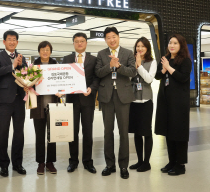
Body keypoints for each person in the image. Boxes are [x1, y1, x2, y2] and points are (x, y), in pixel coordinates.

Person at [95, 27, 136, 179]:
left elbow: (132, 72)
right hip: (106, 97)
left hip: (123, 96)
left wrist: (118, 66)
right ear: (105, 40)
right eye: (108, 38)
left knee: (123, 132)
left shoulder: (128, 53)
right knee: (107, 132)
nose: (111, 40)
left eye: (114, 37)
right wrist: (110, 65)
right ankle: (109, 164)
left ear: (118, 37)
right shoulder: (101, 54)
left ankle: (123, 166)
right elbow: (98, 73)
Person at [62, 32, 99, 174]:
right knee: (72, 132)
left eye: (82, 41)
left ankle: (88, 162)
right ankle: (73, 161)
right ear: (73, 43)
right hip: (72, 101)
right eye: (76, 41)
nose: (79, 44)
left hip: (88, 100)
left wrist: (92, 88)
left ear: (86, 43)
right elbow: (63, 77)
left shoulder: (93, 60)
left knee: (88, 132)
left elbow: (96, 78)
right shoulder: (67, 59)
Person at [0, 30, 27, 177]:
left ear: (17, 42)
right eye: (9, 39)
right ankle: (3, 165)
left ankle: (17, 163)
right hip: (5, 100)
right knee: (3, 133)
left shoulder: (21, 57)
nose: (12, 42)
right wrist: (13, 65)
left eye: (14, 40)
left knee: (19, 134)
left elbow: (25, 73)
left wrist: (25, 75)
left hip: (20, 100)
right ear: (4, 42)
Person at [155, 34, 191, 176]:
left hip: (179, 103)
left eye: (175, 43)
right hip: (166, 101)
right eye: (170, 43)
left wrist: (168, 68)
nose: (172, 45)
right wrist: (164, 68)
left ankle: (180, 165)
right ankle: (172, 161)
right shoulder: (165, 59)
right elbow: (158, 76)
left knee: (179, 133)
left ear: (181, 45)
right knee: (169, 133)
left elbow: (183, 78)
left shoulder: (185, 60)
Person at [128, 37, 157, 172]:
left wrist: (139, 66)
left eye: (143, 46)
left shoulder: (152, 62)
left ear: (147, 48)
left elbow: (149, 79)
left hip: (146, 101)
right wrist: (134, 66)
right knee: (136, 132)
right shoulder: (131, 61)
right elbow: (128, 78)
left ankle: (147, 162)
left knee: (146, 131)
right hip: (133, 101)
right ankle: (139, 161)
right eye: (138, 46)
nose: (140, 49)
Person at [30, 41, 59, 175]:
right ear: (39, 51)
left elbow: (62, 82)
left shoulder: (57, 66)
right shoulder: (33, 66)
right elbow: (29, 84)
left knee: (52, 136)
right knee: (40, 136)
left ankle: (50, 162)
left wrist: (61, 90)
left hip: (53, 105)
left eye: (47, 49)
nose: (45, 52)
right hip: (38, 106)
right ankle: (41, 163)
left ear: (51, 51)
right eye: (42, 49)